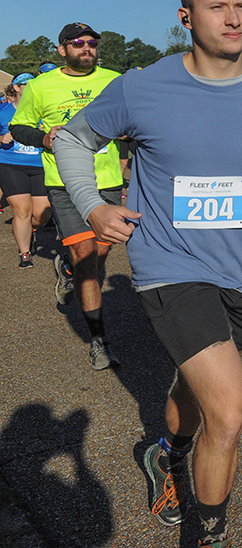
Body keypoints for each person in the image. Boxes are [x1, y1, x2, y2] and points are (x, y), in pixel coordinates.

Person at [53, 0, 242, 548]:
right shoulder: (143, 86)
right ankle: (207, 533)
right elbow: (71, 138)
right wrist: (92, 206)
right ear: (186, 17)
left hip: (240, 273)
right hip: (169, 266)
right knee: (230, 414)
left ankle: (167, 453)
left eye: (241, 5)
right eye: (218, 6)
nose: (233, 17)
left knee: (197, 389)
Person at [10, 22, 122, 369]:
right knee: (86, 253)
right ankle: (99, 341)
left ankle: (69, 271)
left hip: (107, 179)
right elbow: (19, 126)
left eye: (92, 43)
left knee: (101, 250)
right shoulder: (41, 86)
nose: (86, 48)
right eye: (78, 43)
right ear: (63, 49)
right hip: (64, 182)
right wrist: (44, 138)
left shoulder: (115, 81)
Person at [0, 74, 51, 268]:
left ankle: (31, 231)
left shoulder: (43, 109)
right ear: (16, 87)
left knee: (41, 214)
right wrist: (0, 137)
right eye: (26, 84)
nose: (31, 87)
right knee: (21, 211)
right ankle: (25, 254)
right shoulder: (3, 111)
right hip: (10, 164)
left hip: (40, 165)